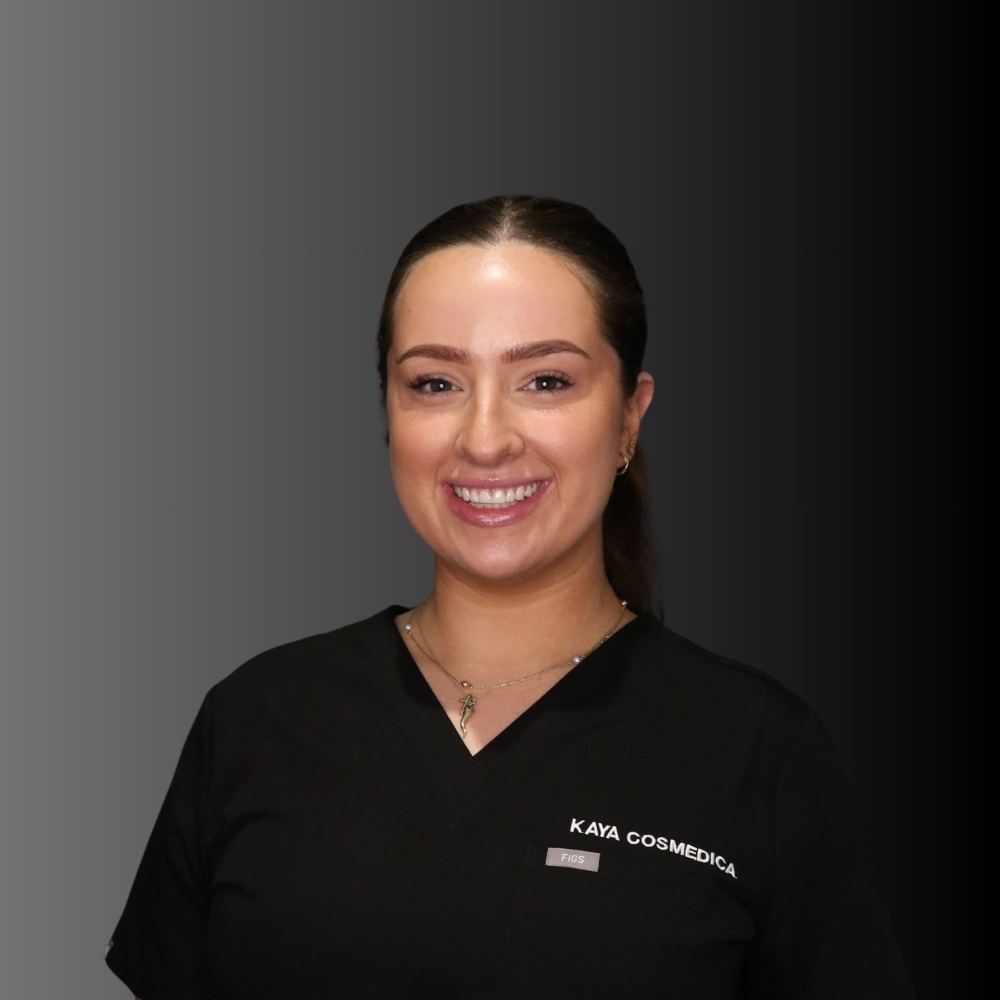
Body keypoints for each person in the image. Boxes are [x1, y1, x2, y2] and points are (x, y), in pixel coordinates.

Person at [106, 195, 914, 998]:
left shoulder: (757, 754)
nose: (485, 438)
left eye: (546, 379)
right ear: (388, 412)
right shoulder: (257, 721)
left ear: (630, 416)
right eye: (434, 383)